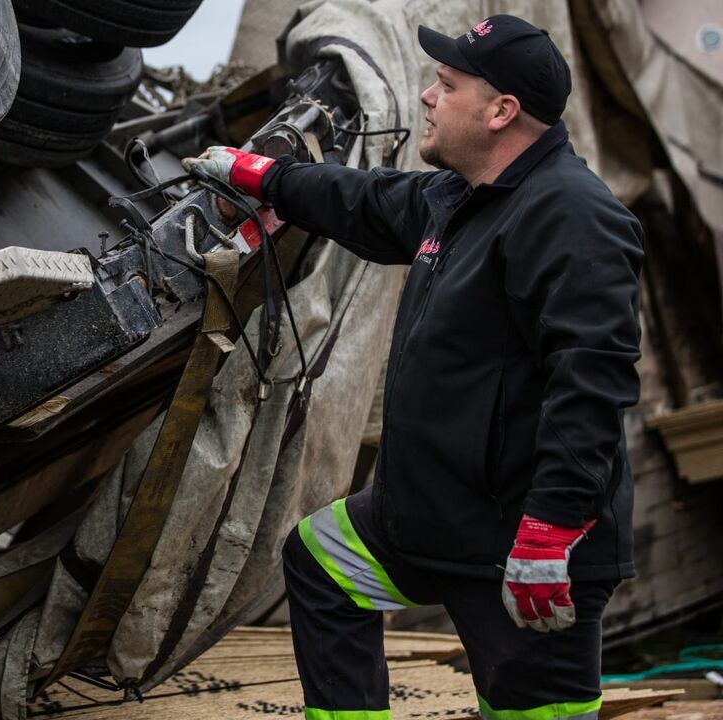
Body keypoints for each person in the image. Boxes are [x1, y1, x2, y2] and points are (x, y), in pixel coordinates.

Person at [184, 15, 643, 720]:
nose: (429, 97)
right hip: (426, 524)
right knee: (321, 563)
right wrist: (265, 176)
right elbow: (360, 202)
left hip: (519, 550)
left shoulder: (574, 216)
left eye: (447, 84)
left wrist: (550, 529)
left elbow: (593, 381)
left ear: (501, 111)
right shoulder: (455, 199)